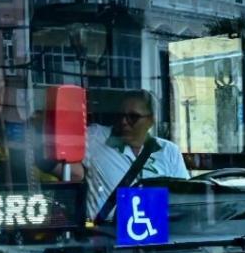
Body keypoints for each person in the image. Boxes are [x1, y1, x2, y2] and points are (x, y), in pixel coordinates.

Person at [78, 89, 189, 218]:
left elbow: (182, 199)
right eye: (121, 116)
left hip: (155, 232)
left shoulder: (168, 151)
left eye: (133, 117)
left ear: (151, 120)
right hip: (107, 233)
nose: (124, 122)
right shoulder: (95, 137)